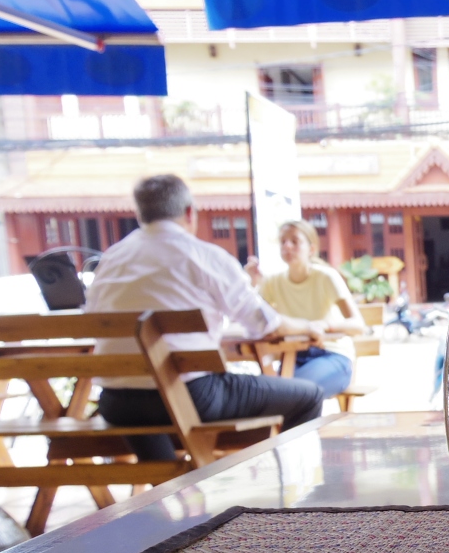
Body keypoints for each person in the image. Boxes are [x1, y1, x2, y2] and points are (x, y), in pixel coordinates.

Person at [87, 174, 327, 461]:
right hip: (190, 397)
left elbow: (92, 320)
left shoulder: (111, 259)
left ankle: (171, 486)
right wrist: (309, 326)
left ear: (140, 214)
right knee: (308, 396)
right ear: (190, 212)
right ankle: (288, 485)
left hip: (118, 404)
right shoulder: (204, 256)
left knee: (149, 406)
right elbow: (266, 325)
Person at [244, 220, 364, 398]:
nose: (287, 246)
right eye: (283, 242)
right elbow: (254, 319)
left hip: (332, 355)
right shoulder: (272, 282)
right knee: (265, 394)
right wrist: (251, 284)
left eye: (295, 241)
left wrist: (324, 325)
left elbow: (358, 325)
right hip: (291, 356)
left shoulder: (326, 276)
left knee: (286, 393)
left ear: (311, 249)